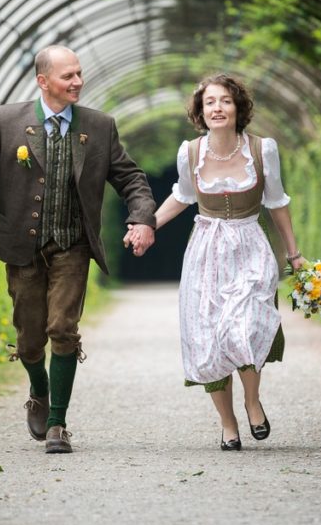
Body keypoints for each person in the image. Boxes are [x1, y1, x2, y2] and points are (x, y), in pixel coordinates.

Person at [0, 45, 157, 454]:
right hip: (20, 246)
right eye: (68, 76)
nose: (78, 81)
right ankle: (39, 390)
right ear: (43, 81)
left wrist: (142, 218)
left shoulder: (99, 126)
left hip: (72, 245)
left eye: (79, 74)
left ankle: (58, 423)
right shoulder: (7, 121)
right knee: (29, 340)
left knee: (62, 329)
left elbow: (131, 178)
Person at [125, 73, 304, 451]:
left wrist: (294, 253)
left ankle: (252, 401)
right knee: (207, 336)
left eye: (225, 100)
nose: (217, 108)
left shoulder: (262, 149)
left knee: (245, 324)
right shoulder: (190, 152)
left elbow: (278, 203)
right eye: (210, 102)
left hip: (250, 244)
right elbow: (181, 196)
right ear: (200, 111)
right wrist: (146, 225)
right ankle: (227, 424)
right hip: (206, 250)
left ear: (238, 107)